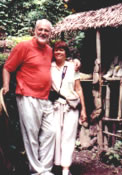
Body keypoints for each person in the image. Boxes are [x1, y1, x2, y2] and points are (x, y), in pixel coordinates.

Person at [2, 19, 81, 175]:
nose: (43, 33)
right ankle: (37, 171)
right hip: (27, 96)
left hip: (45, 99)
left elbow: (62, 59)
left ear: (50, 34)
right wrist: (6, 86)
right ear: (35, 30)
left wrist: (74, 61)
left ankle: (45, 169)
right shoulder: (23, 47)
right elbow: (7, 67)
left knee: (51, 132)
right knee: (31, 134)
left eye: (46, 31)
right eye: (41, 29)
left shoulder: (49, 50)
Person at [51, 41, 87, 175]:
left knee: (69, 136)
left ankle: (66, 168)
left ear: (66, 53)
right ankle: (55, 165)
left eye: (62, 50)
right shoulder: (49, 67)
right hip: (54, 106)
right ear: (53, 52)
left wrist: (84, 109)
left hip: (71, 106)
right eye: (56, 50)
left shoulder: (72, 67)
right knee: (54, 135)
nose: (59, 52)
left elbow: (78, 88)